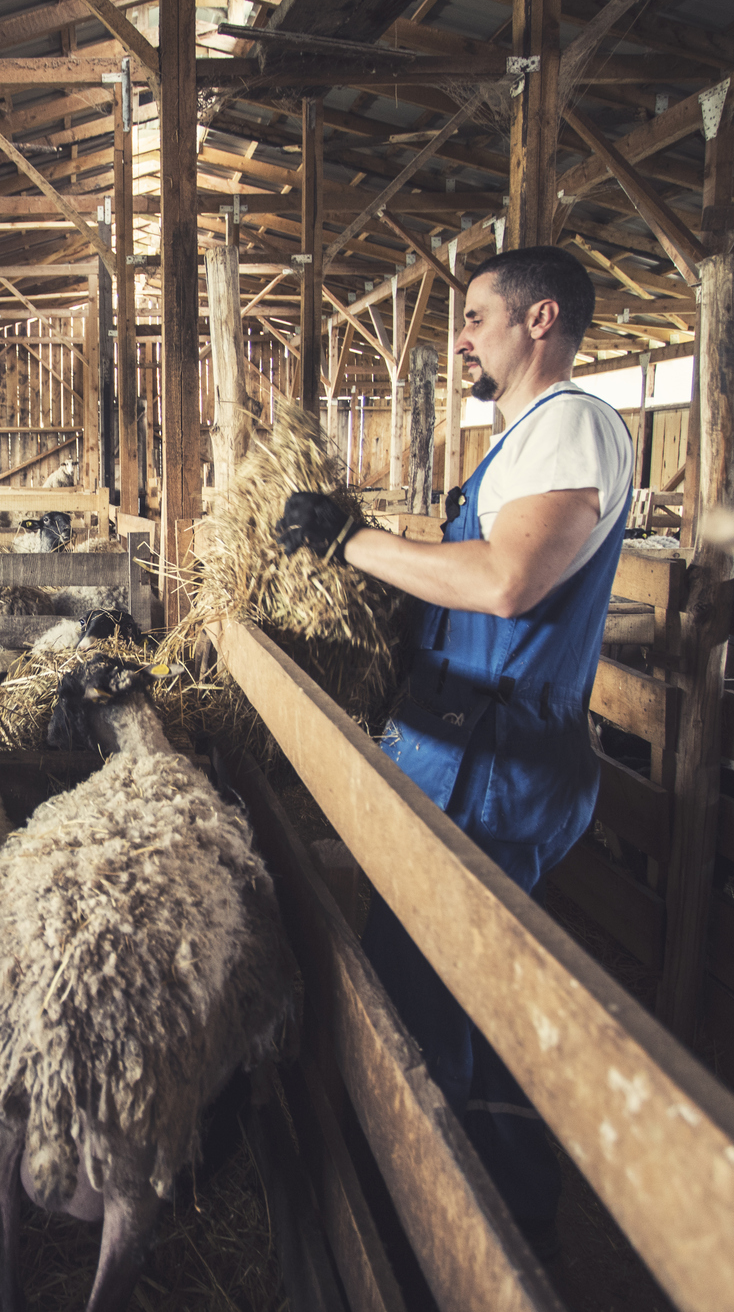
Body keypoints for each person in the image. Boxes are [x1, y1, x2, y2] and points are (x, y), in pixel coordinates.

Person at [276, 243, 634, 1252]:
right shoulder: (524, 437)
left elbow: (506, 581)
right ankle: (445, 1211)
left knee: (446, 996)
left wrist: (351, 543)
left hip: (496, 764)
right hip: (457, 750)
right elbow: (469, 564)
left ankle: (473, 1231)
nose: (461, 336)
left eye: (476, 315)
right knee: (432, 982)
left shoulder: (570, 426)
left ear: (540, 319)